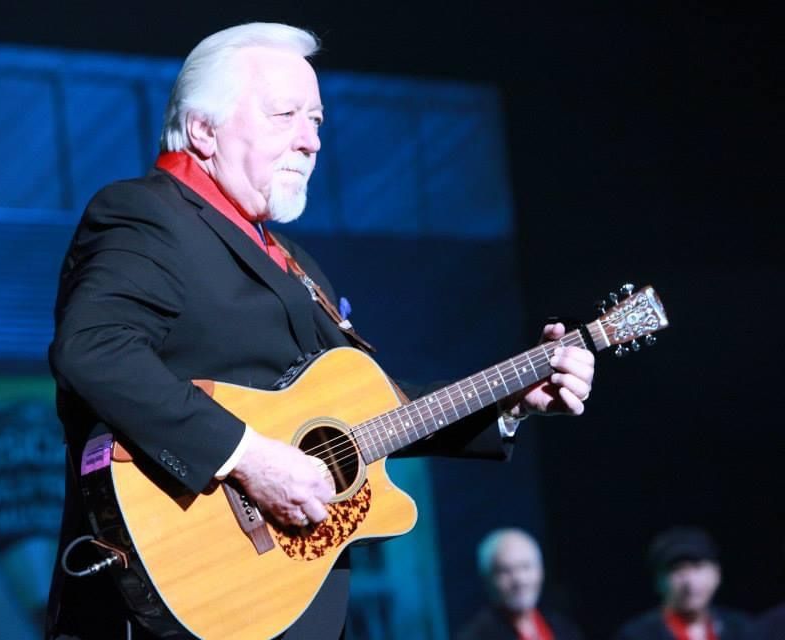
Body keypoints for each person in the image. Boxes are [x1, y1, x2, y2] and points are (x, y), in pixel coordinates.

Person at [44, 22, 595, 640]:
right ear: (204, 129)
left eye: (317, 121)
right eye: (286, 115)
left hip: (288, 603)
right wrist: (249, 458)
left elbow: (372, 416)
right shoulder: (146, 214)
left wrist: (511, 402)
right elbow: (94, 350)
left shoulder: (297, 265)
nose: (311, 142)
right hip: (173, 605)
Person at [611, 526, 756, 640]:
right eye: (677, 570)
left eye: (697, 567)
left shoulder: (742, 629)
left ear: (716, 574)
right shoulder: (637, 635)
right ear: (658, 581)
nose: (689, 582)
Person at [456, 528, 583, 640]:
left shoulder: (563, 629)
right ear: (488, 579)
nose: (519, 580)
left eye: (525, 567)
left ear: (541, 571)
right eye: (505, 571)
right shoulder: (475, 636)